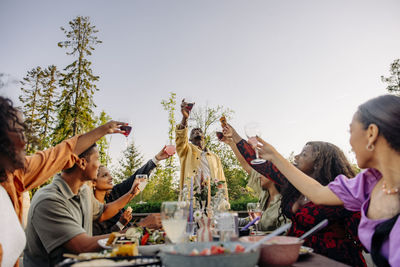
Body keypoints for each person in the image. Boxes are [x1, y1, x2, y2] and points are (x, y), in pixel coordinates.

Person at [253, 94, 400, 266]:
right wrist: (274, 156)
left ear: (372, 133)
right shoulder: (367, 182)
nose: (350, 142)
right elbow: (318, 192)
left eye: (351, 131)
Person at [0, 96, 124, 267]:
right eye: (17, 132)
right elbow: (81, 246)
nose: (24, 141)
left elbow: (61, 153)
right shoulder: (48, 199)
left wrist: (105, 129)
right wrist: (132, 235)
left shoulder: (12, 177)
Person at [223, 124, 366, 266]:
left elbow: (363, 234)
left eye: (303, 154)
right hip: (296, 256)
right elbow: (261, 165)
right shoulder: (293, 184)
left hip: (333, 259)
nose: (296, 157)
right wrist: (235, 136)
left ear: (318, 164)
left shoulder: (340, 191)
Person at [24, 142, 142, 267]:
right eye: (97, 159)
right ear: (82, 163)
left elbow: (103, 212)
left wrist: (131, 193)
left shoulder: (84, 191)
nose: (98, 165)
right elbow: (82, 246)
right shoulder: (48, 200)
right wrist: (137, 230)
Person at [92, 146, 172, 235]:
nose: (111, 178)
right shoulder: (90, 209)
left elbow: (135, 178)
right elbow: (100, 239)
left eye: (110, 174)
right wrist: (120, 224)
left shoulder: (113, 194)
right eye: (105, 175)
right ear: (93, 181)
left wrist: (156, 159)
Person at [221, 135, 285, 231]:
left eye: (262, 172)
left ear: (273, 174)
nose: (258, 175)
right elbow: (246, 165)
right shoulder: (264, 194)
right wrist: (222, 221)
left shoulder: (283, 204)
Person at [176, 99, 229, 202]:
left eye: (199, 130)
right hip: (191, 202)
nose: (196, 131)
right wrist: (185, 118)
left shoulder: (215, 157)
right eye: (193, 131)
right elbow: (180, 140)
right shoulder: (186, 151)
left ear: (204, 137)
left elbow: (222, 180)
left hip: (213, 202)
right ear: (189, 139)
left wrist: (225, 202)